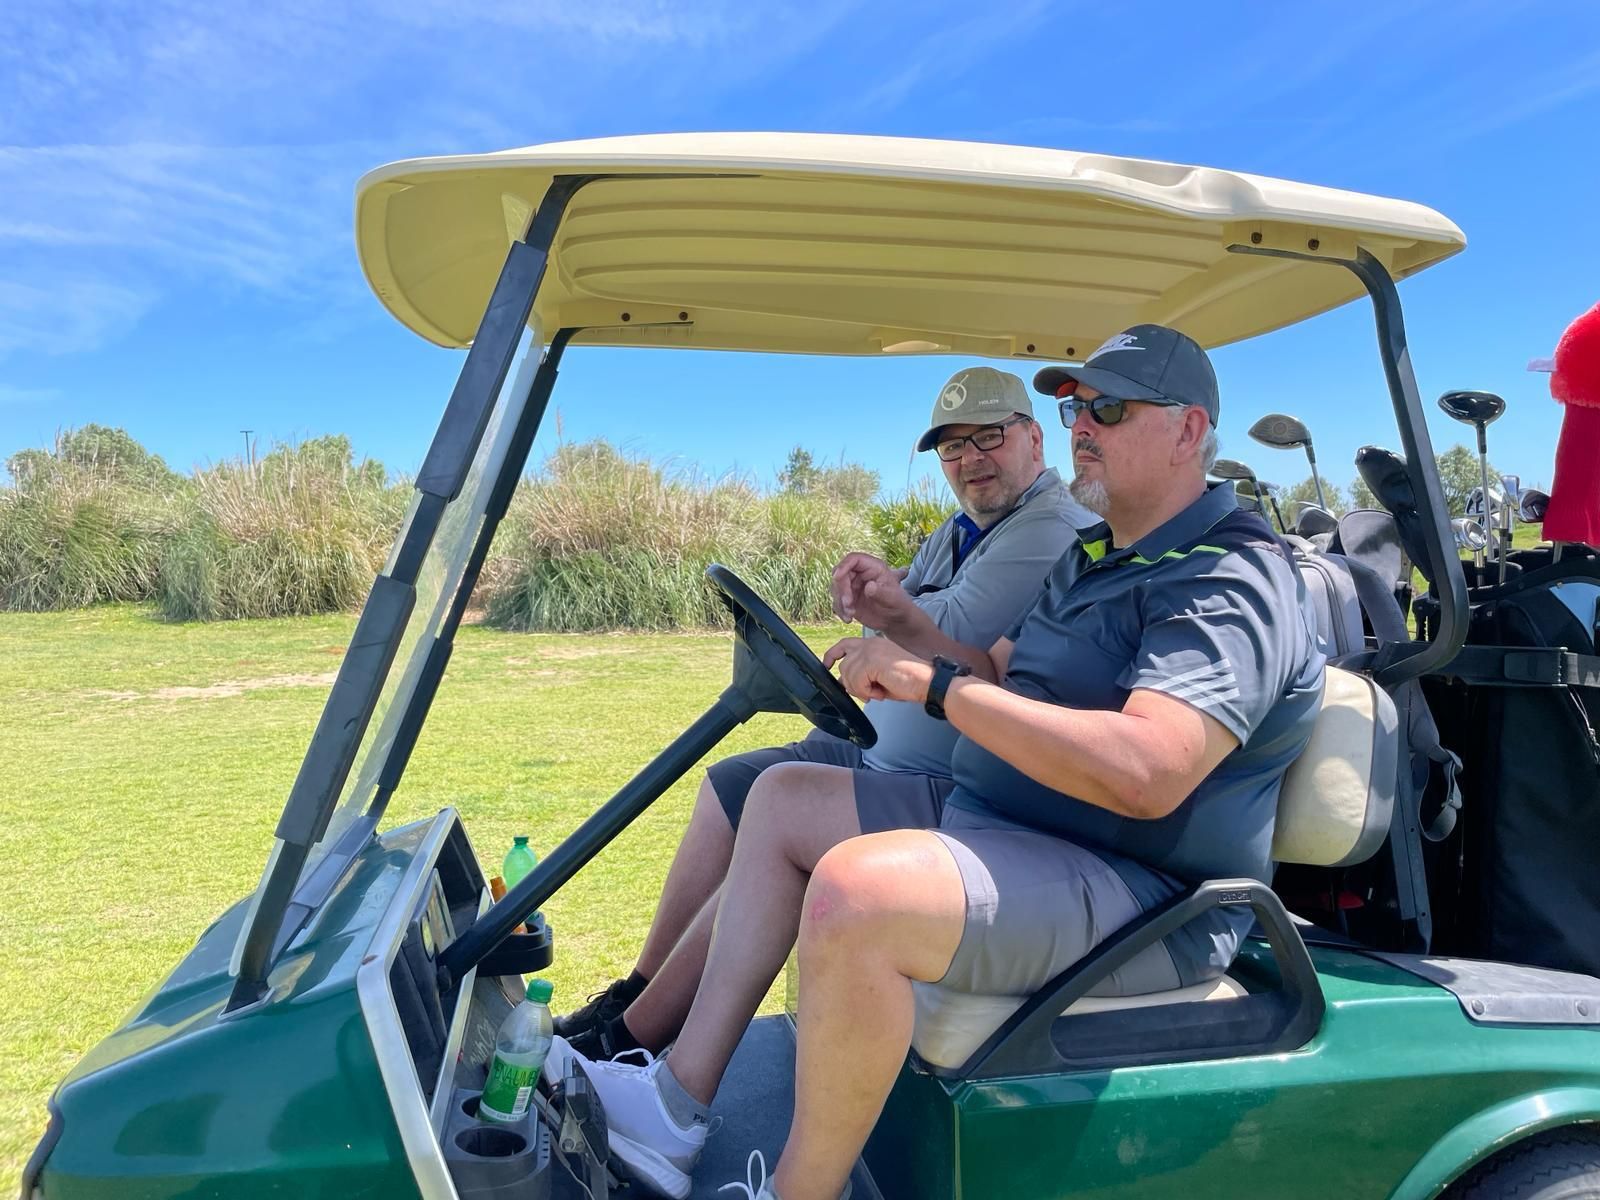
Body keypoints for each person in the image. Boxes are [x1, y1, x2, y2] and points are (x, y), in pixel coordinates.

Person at [547, 323, 1326, 1200]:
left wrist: (938, 691)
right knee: (781, 798)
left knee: (858, 894)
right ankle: (672, 1108)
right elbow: (995, 669)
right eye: (1075, 408)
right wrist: (916, 650)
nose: (1082, 427)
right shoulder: (1094, 554)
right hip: (1018, 824)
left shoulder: (1229, 575)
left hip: (1142, 887)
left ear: (1189, 430)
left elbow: (1150, 772)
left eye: (1109, 409)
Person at [553, 365, 1094, 1065]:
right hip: (881, 747)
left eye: (988, 437)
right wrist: (887, 599)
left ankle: (632, 1042)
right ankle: (637, 994)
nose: (970, 460)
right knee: (730, 786)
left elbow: (936, 633)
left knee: (778, 815)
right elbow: (896, 611)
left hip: (946, 774)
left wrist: (891, 609)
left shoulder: (1048, 528)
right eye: (953, 447)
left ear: (1033, 440)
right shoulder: (964, 529)